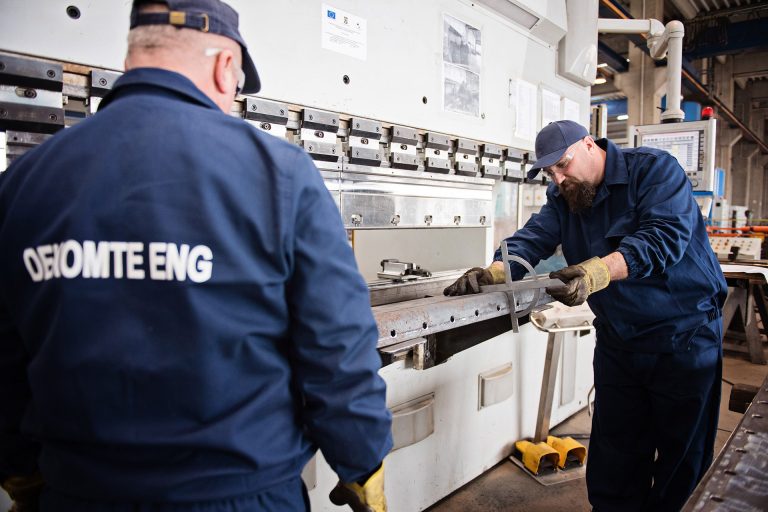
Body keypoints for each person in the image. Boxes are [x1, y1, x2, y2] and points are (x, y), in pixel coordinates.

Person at [0, 1, 391, 511]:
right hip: (240, 496)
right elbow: (336, 347)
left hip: (76, 493)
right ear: (225, 67)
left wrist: (18, 468)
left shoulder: (24, 183)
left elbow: (4, 356)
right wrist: (363, 463)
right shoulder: (281, 175)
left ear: (137, 53)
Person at [445, 120, 727, 511]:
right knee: (616, 455)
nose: (558, 178)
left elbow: (664, 237)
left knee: (682, 459)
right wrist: (494, 271)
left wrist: (598, 271)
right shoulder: (566, 197)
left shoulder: (654, 171)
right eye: (550, 172)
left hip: (683, 335)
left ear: (590, 144)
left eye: (563, 164)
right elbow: (533, 238)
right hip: (619, 341)